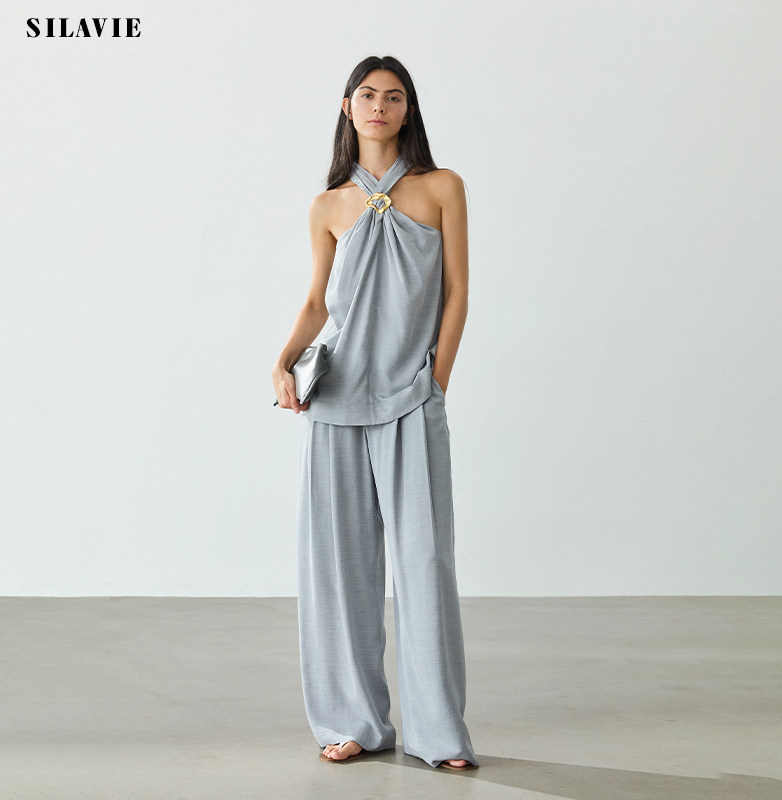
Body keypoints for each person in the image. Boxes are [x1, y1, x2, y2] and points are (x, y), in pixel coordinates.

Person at [272, 55, 478, 771]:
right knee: (340, 569)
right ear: (347, 106)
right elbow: (317, 302)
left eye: (393, 96)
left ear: (407, 108)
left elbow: (457, 292)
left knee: (424, 564)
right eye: (367, 95)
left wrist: (435, 382)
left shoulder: (442, 187)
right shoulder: (327, 204)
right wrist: (282, 360)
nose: (379, 106)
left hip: (411, 397)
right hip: (334, 399)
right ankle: (353, 720)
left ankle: (437, 732)